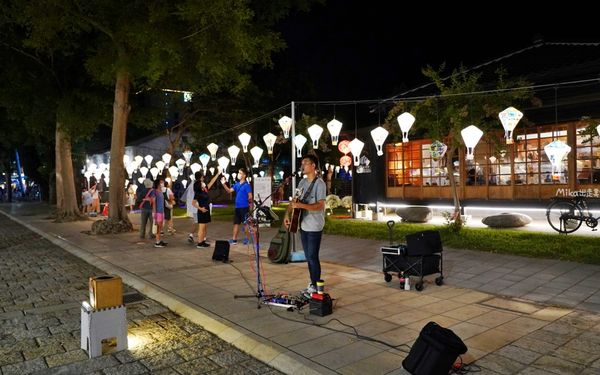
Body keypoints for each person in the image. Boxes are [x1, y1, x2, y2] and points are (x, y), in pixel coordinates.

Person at [284, 154, 326, 294]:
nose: (302, 166)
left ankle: (316, 285)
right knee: (308, 257)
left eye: (305, 163)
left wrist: (301, 205)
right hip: (303, 224)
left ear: (313, 166)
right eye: (302, 163)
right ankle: (313, 283)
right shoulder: (302, 183)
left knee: (313, 256)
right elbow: (294, 201)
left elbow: (320, 205)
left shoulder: (320, 184)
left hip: (315, 225)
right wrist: (287, 214)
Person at [220, 167, 253, 245]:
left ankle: (248, 239)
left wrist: (250, 204)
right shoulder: (237, 184)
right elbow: (229, 191)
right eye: (238, 172)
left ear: (244, 175)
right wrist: (224, 184)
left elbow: (250, 196)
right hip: (237, 207)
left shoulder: (247, 185)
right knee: (236, 223)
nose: (238, 174)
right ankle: (234, 240)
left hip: (244, 207)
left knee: (245, 224)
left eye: (240, 173)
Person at [192, 171, 220, 248]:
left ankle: (203, 241)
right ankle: (199, 243)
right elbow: (193, 203)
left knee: (204, 227)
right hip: (202, 211)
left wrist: (217, 174)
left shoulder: (205, 190)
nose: (203, 181)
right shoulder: (198, 193)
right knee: (201, 227)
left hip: (206, 209)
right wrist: (201, 209)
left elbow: (212, 181)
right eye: (202, 181)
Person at [150, 178, 167, 248]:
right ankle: (157, 242)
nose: (162, 183)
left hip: (162, 211)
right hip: (157, 212)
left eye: (163, 182)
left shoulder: (161, 191)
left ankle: (159, 240)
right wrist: (154, 214)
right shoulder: (154, 191)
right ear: (158, 183)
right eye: (161, 182)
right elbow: (154, 203)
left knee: (160, 227)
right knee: (158, 227)